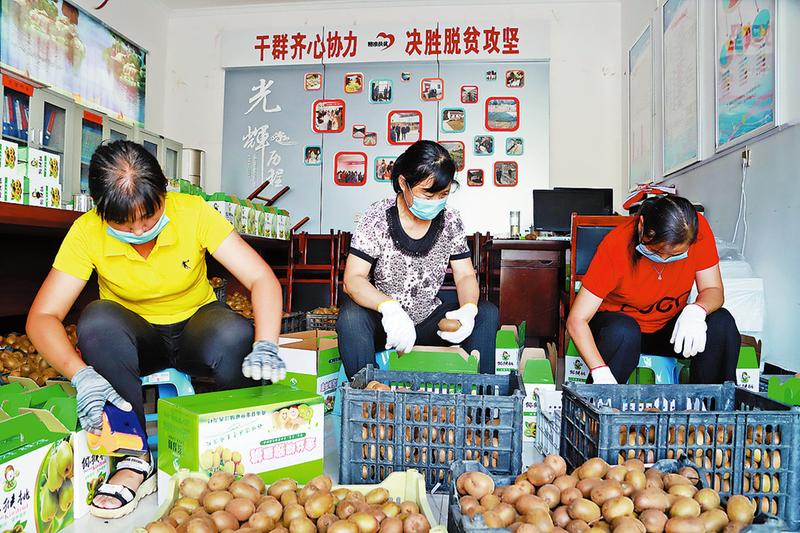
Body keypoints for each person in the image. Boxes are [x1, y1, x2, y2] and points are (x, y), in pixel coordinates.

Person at [26, 141, 285, 519]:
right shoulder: (86, 232)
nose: (140, 231)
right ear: (100, 211)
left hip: (196, 327)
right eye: (124, 224)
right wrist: (80, 374)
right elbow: (43, 316)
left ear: (164, 193)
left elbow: (261, 278)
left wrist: (266, 343)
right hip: (136, 339)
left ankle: (240, 446)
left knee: (234, 333)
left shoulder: (194, 212)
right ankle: (133, 458)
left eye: (149, 217)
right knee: (96, 321)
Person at [336, 140, 499, 377]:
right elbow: (353, 279)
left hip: (429, 322)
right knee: (351, 317)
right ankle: (368, 389)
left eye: (443, 194)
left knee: (487, 312)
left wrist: (468, 309)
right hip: (387, 324)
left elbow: (464, 275)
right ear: (404, 183)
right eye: (427, 194)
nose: (435, 202)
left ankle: (480, 394)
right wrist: (389, 308)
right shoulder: (377, 216)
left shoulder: (450, 220)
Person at [566, 195, 740, 385]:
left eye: (675, 255)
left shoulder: (695, 230)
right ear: (642, 225)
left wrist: (697, 310)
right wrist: (600, 371)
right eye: (658, 252)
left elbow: (713, 288)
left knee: (721, 322)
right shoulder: (616, 245)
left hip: (668, 329)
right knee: (623, 332)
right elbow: (577, 319)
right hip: (620, 332)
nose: (664, 260)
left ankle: (713, 401)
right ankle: (602, 400)